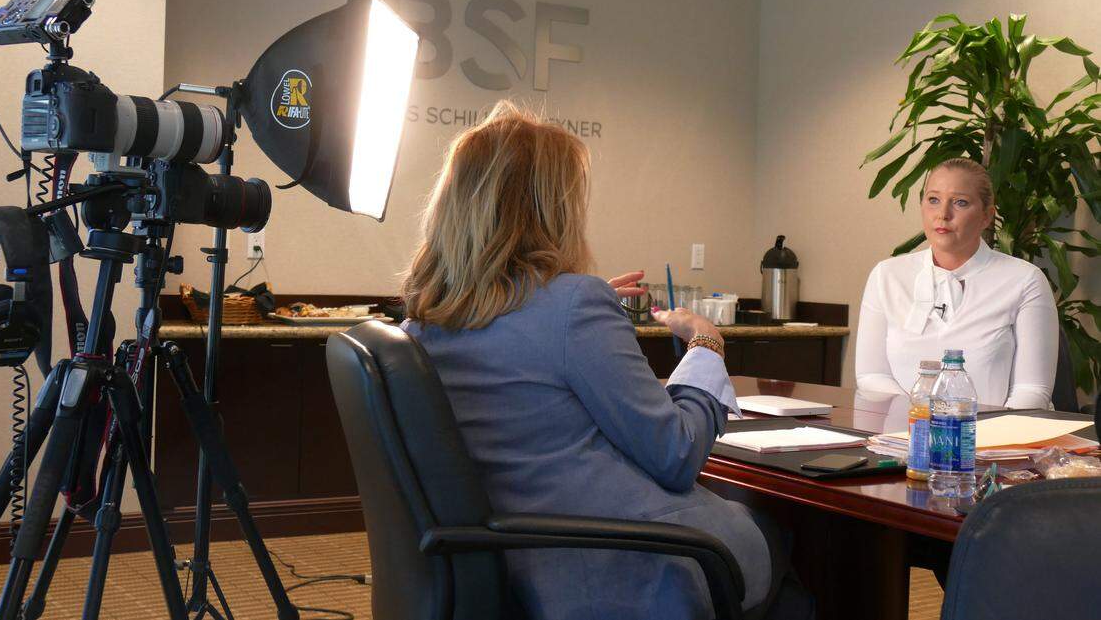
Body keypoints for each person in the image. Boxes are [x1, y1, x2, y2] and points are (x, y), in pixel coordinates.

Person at [400, 101, 811, 620]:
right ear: (548, 209)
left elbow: (529, 359)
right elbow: (676, 454)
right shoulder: (572, 306)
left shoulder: (422, 324)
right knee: (782, 545)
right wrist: (706, 347)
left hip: (502, 561)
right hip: (613, 563)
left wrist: (580, 307)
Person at [856, 157, 1057, 409]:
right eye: (933, 200)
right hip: (905, 435)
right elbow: (872, 376)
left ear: (986, 216)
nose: (943, 214)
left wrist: (984, 436)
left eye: (960, 202)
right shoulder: (887, 275)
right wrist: (920, 423)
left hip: (995, 440)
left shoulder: (1025, 280)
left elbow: (1032, 390)